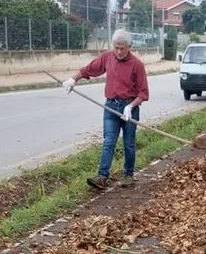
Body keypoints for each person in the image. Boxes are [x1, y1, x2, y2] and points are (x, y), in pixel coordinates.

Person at [63, 30, 149, 190]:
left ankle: (128, 174)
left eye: (123, 48)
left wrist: (131, 106)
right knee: (109, 141)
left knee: (129, 143)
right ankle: (102, 176)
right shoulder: (108, 57)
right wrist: (72, 80)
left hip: (129, 108)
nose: (119, 51)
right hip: (111, 106)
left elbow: (144, 92)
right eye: (116, 47)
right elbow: (88, 69)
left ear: (129, 47)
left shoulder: (137, 65)